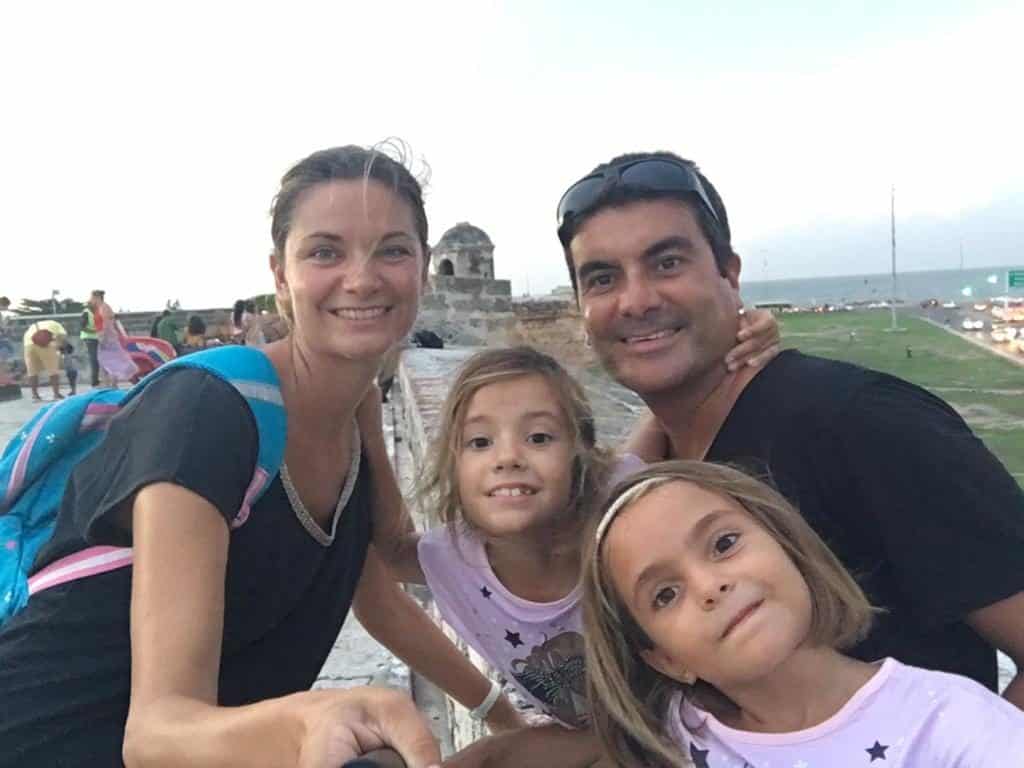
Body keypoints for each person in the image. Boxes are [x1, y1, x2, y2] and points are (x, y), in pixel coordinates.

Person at [0, 145, 525, 768]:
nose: (361, 278)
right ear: (281, 277)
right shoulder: (212, 411)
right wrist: (319, 712)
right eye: (325, 251)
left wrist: (506, 715)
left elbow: (377, 589)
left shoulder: (355, 410)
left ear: (423, 270)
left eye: (392, 249)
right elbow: (156, 734)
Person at [555, 151, 1024, 704]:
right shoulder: (663, 466)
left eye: (667, 264)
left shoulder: (860, 423)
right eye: (604, 278)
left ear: (729, 274)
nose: (636, 300)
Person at [376, 342, 780, 768]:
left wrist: (740, 343)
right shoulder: (452, 558)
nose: (508, 457)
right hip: (595, 736)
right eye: (480, 441)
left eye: (539, 437)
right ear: (451, 464)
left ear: (579, 454)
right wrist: (361, 403)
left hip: (697, 722)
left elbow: (674, 415)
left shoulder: (619, 511)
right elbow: (385, 549)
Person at [582, 461, 1024, 766]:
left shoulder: (953, 723)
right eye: (665, 595)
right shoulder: (673, 741)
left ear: (789, 546)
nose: (710, 586)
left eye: (723, 544)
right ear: (665, 659)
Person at [95, 293, 139, 386]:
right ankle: (112, 384)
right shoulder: (104, 307)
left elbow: (106, 323)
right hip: (109, 337)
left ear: (97, 297)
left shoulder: (104, 307)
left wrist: (103, 337)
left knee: (108, 361)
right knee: (112, 360)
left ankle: (110, 384)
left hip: (107, 338)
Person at [22, 318, 67, 401]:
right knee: (53, 370)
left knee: (32, 371)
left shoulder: (33, 325)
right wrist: (61, 349)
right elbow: (62, 337)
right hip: (45, 343)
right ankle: (56, 395)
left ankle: (35, 396)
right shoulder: (57, 324)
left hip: (28, 344)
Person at [80, 291, 103, 387]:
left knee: (100, 359)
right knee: (94, 359)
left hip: (98, 337)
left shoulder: (100, 310)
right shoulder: (86, 312)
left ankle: (98, 379)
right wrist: (95, 331)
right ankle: (94, 381)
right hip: (89, 338)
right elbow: (82, 327)